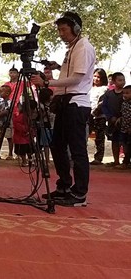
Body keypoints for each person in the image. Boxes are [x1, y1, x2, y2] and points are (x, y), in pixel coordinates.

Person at [31, 11, 96, 207]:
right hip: (66, 102)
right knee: (57, 145)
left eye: (64, 30)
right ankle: (64, 186)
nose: (61, 34)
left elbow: (77, 78)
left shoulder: (83, 47)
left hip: (76, 103)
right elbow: (73, 73)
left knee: (77, 149)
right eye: (59, 30)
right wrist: (59, 67)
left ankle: (79, 193)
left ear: (75, 29)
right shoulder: (74, 47)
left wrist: (48, 82)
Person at [100, 73, 127, 167]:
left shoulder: (126, 93)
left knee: (124, 141)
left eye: (123, 80)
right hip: (112, 122)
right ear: (114, 81)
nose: (122, 82)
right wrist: (110, 117)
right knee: (114, 141)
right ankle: (116, 161)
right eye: (120, 80)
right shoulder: (109, 94)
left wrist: (122, 117)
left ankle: (126, 161)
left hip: (125, 121)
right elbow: (104, 106)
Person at [89, 68, 110, 164]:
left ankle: (98, 158)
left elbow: (102, 103)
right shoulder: (89, 87)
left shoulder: (104, 89)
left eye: (99, 77)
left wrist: (94, 113)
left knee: (99, 138)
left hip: (99, 116)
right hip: (87, 115)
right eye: (95, 76)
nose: (96, 79)